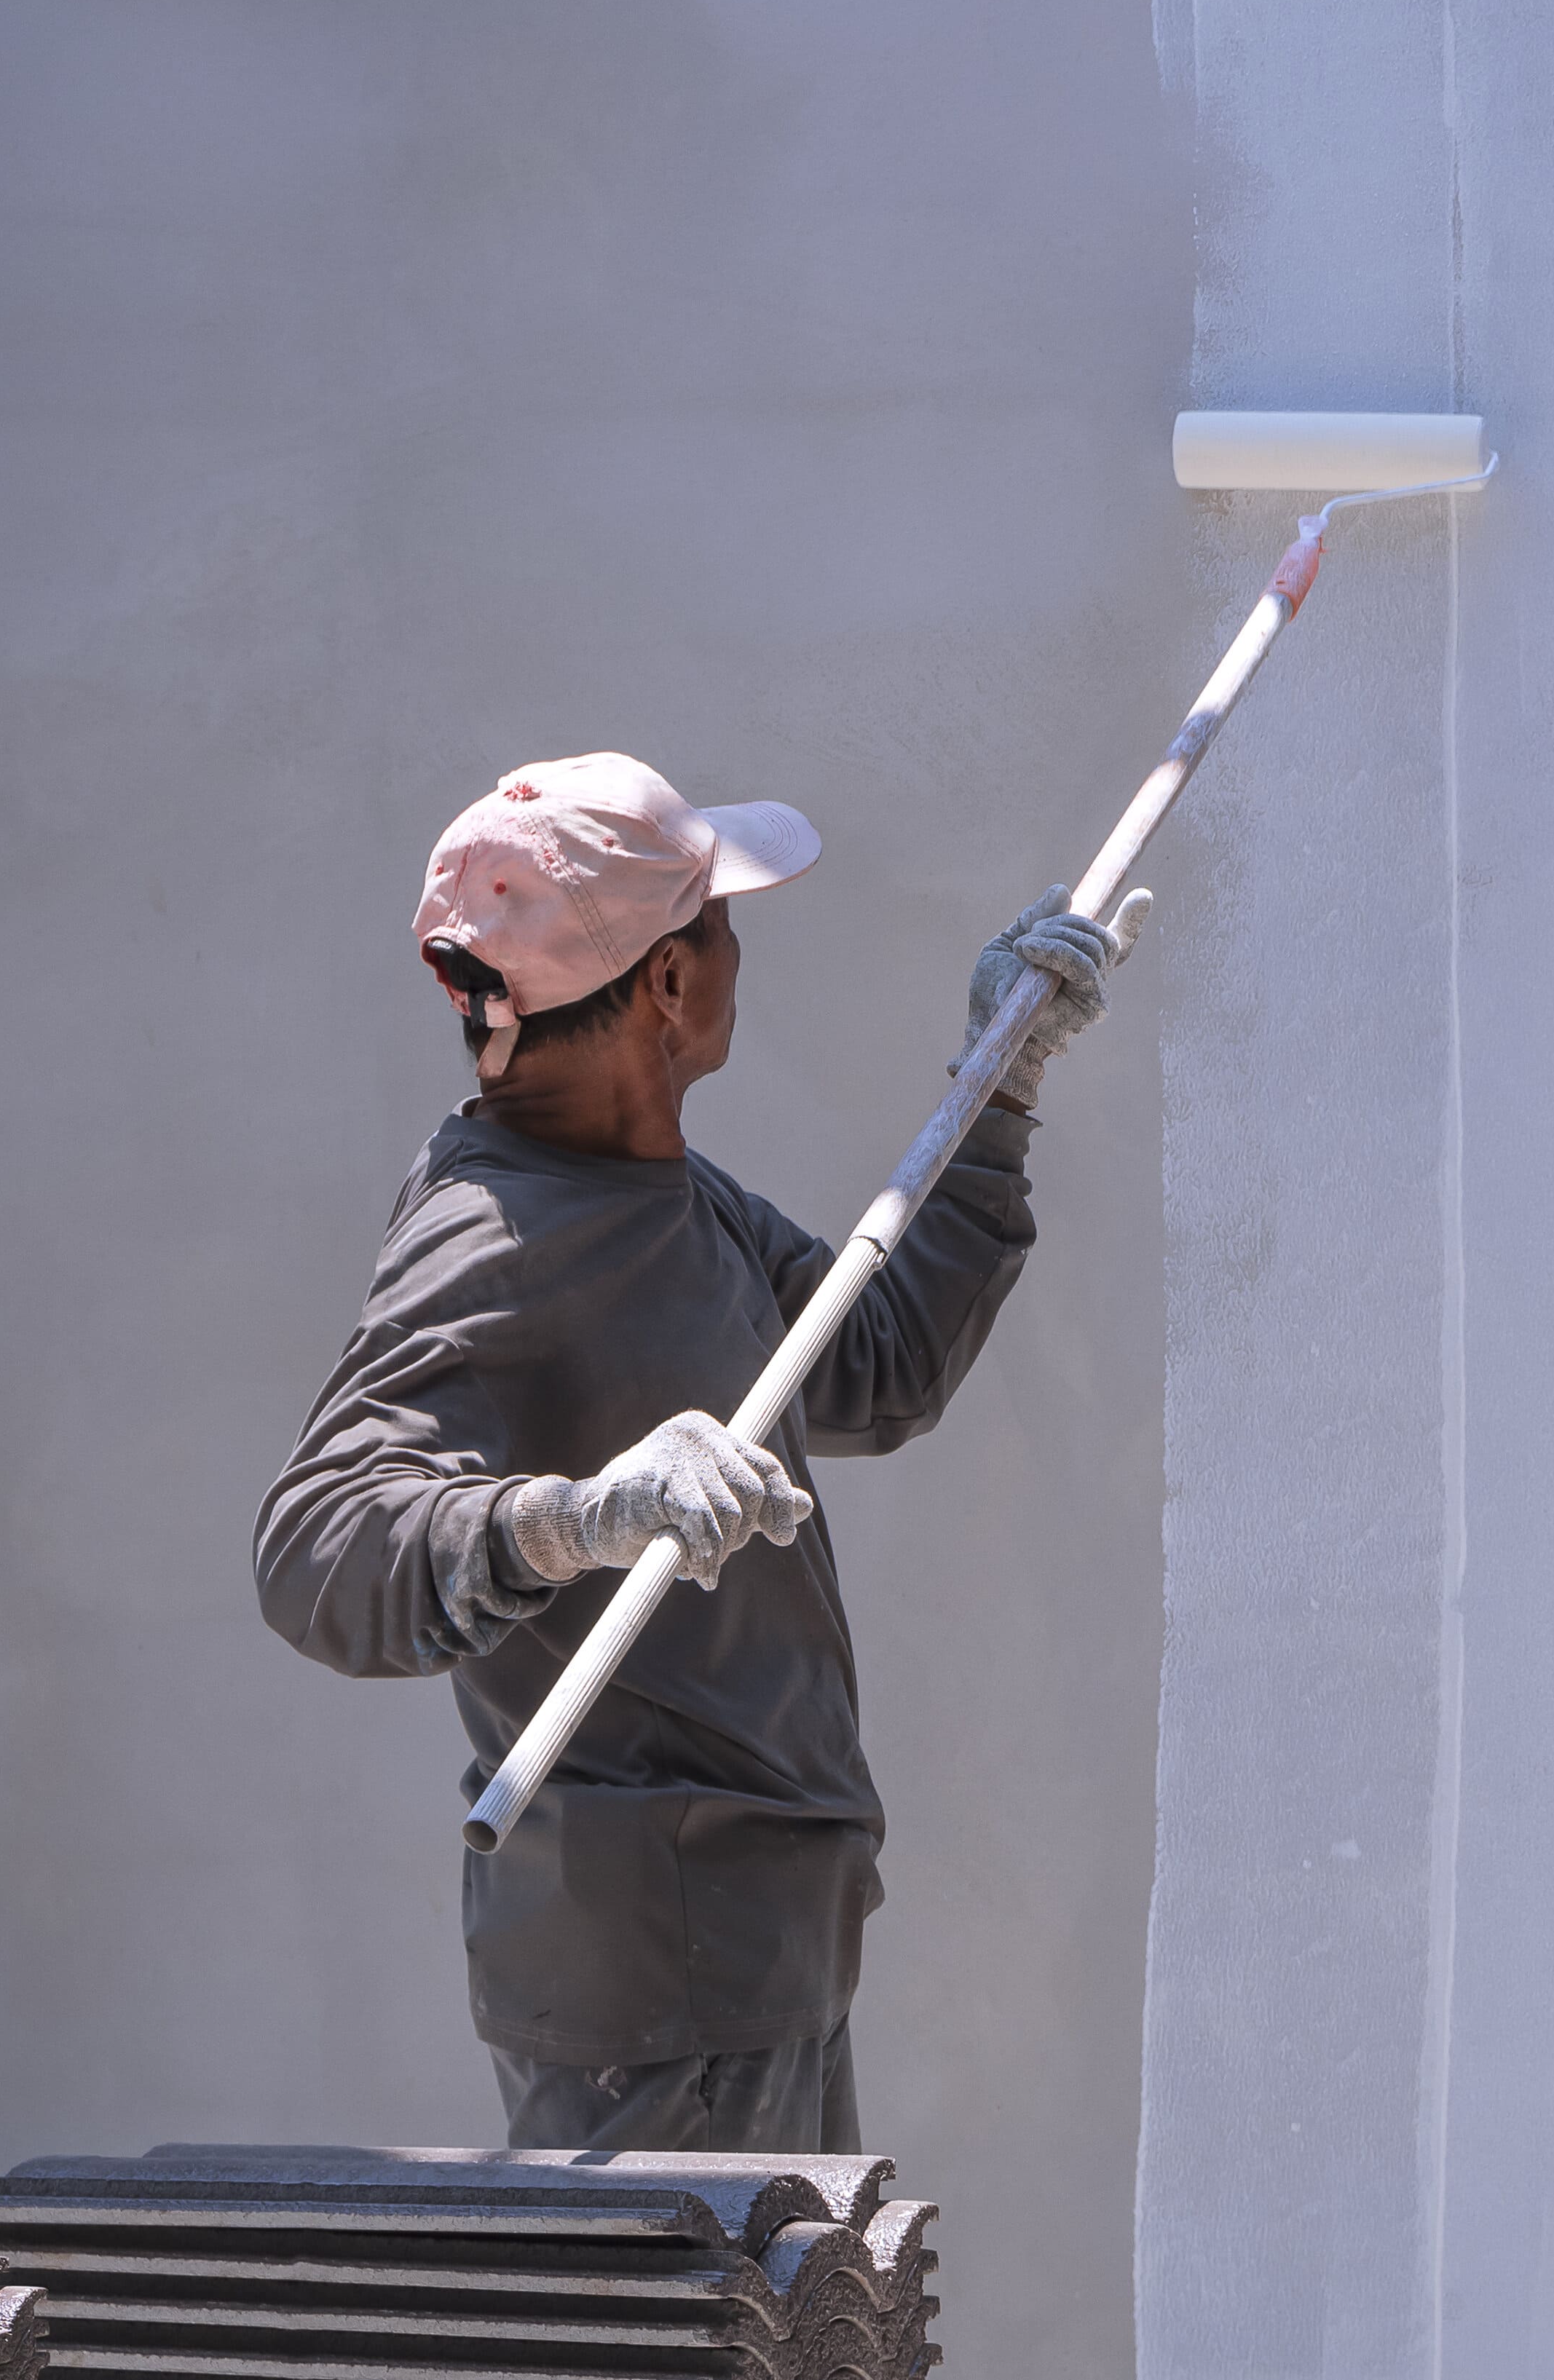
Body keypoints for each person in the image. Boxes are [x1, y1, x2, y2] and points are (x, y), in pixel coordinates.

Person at [255, 750, 1137, 2148]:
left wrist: (998, 1084)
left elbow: (878, 1363)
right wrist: (578, 1517)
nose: (737, 954)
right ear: (668, 981)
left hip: (746, 1952)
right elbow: (317, 1547)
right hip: (655, 2002)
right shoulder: (493, 1228)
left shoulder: (663, 1192)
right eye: (720, 924)